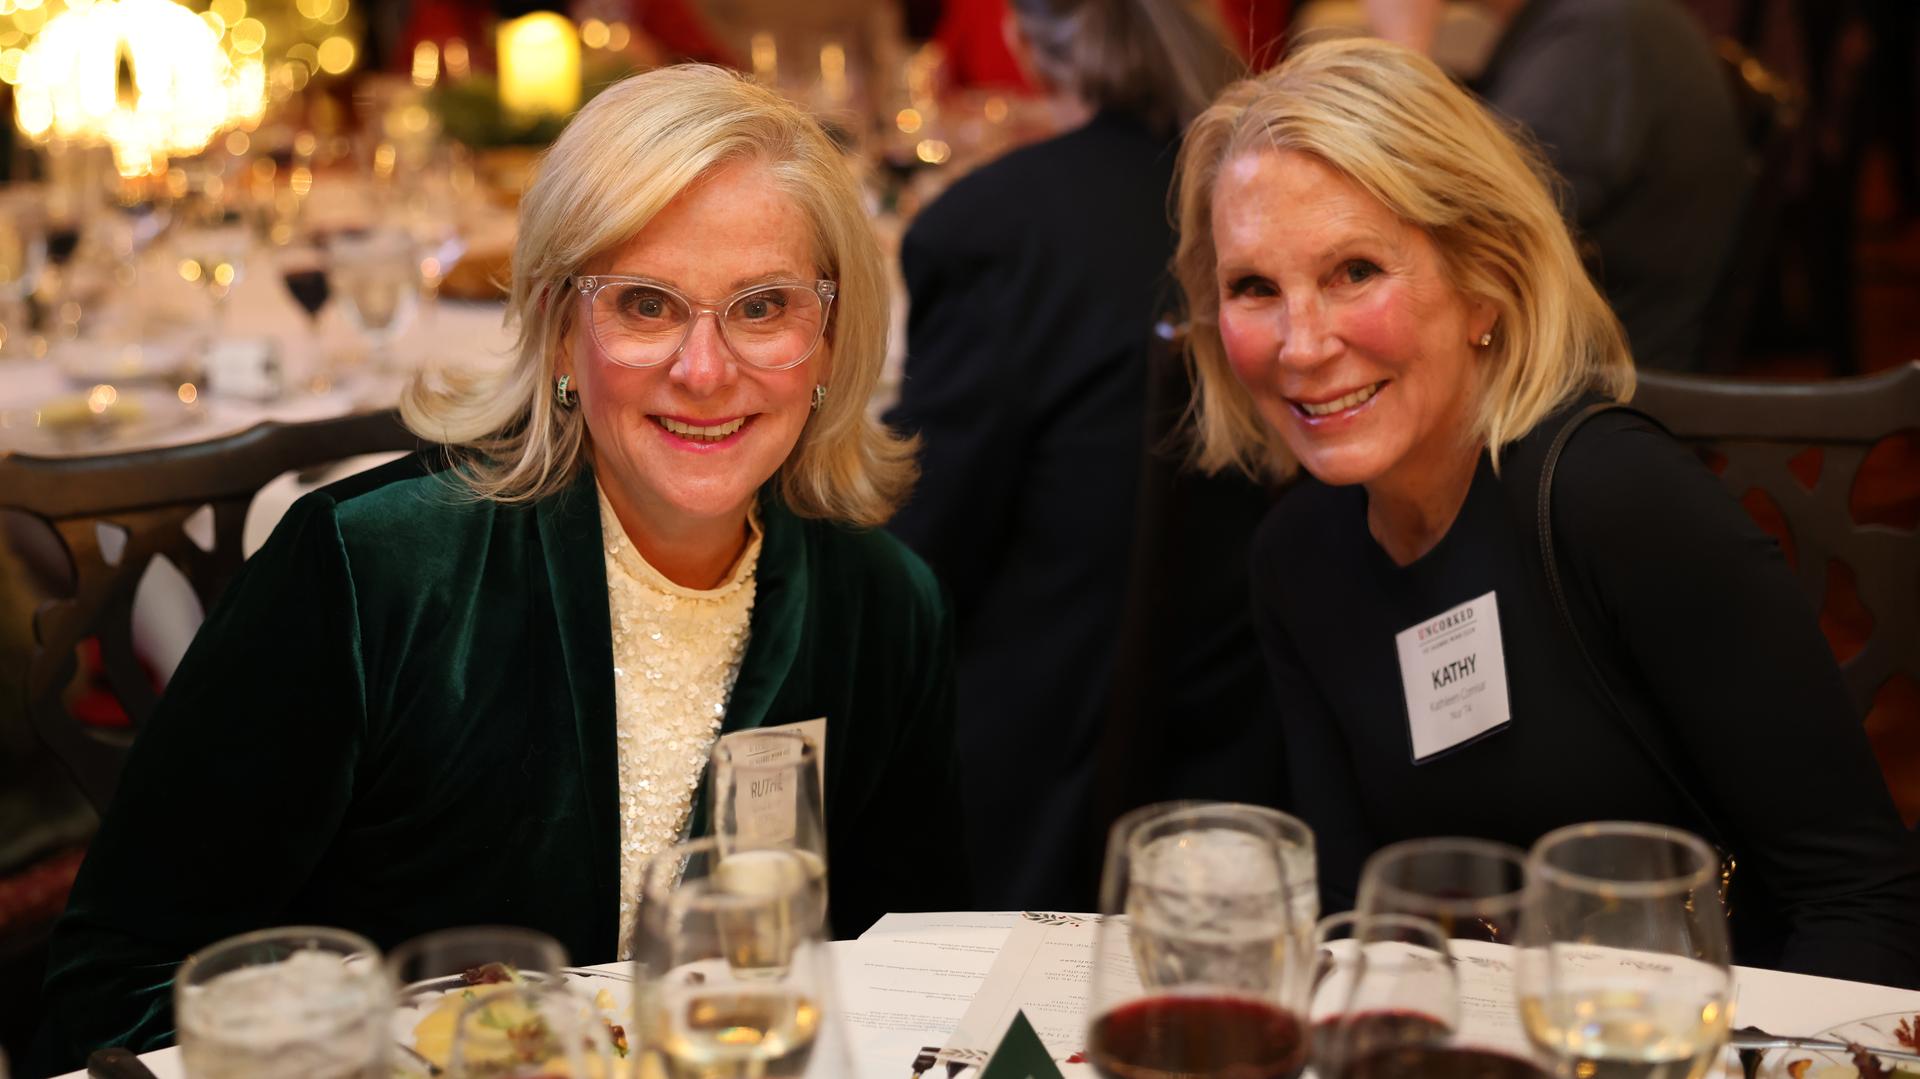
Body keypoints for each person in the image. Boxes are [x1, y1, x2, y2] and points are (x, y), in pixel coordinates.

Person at [33, 65, 962, 1071]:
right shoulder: (377, 573)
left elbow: (902, 982)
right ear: (562, 329)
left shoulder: (882, 610)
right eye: (646, 305)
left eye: (763, 306)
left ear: (827, 339)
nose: (705, 369)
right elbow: (114, 986)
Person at [1174, 38, 1920, 985]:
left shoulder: (1613, 502)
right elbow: (1359, 920)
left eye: (1355, 270)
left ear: (1483, 279)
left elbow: (1862, 898)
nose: (1302, 343)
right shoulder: (1296, 558)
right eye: (1253, 288)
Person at [884, 0, 1253, 910]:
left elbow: (924, 554)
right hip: (1239, 718)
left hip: (1031, 755)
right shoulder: (1247, 188)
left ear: (1022, 41)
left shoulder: (996, 225)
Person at [1363, 0, 1748, 372]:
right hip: (1573, 367)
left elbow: (1458, 238)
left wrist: (1403, 54)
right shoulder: (1591, 24)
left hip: (1599, 393)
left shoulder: (1601, 35)